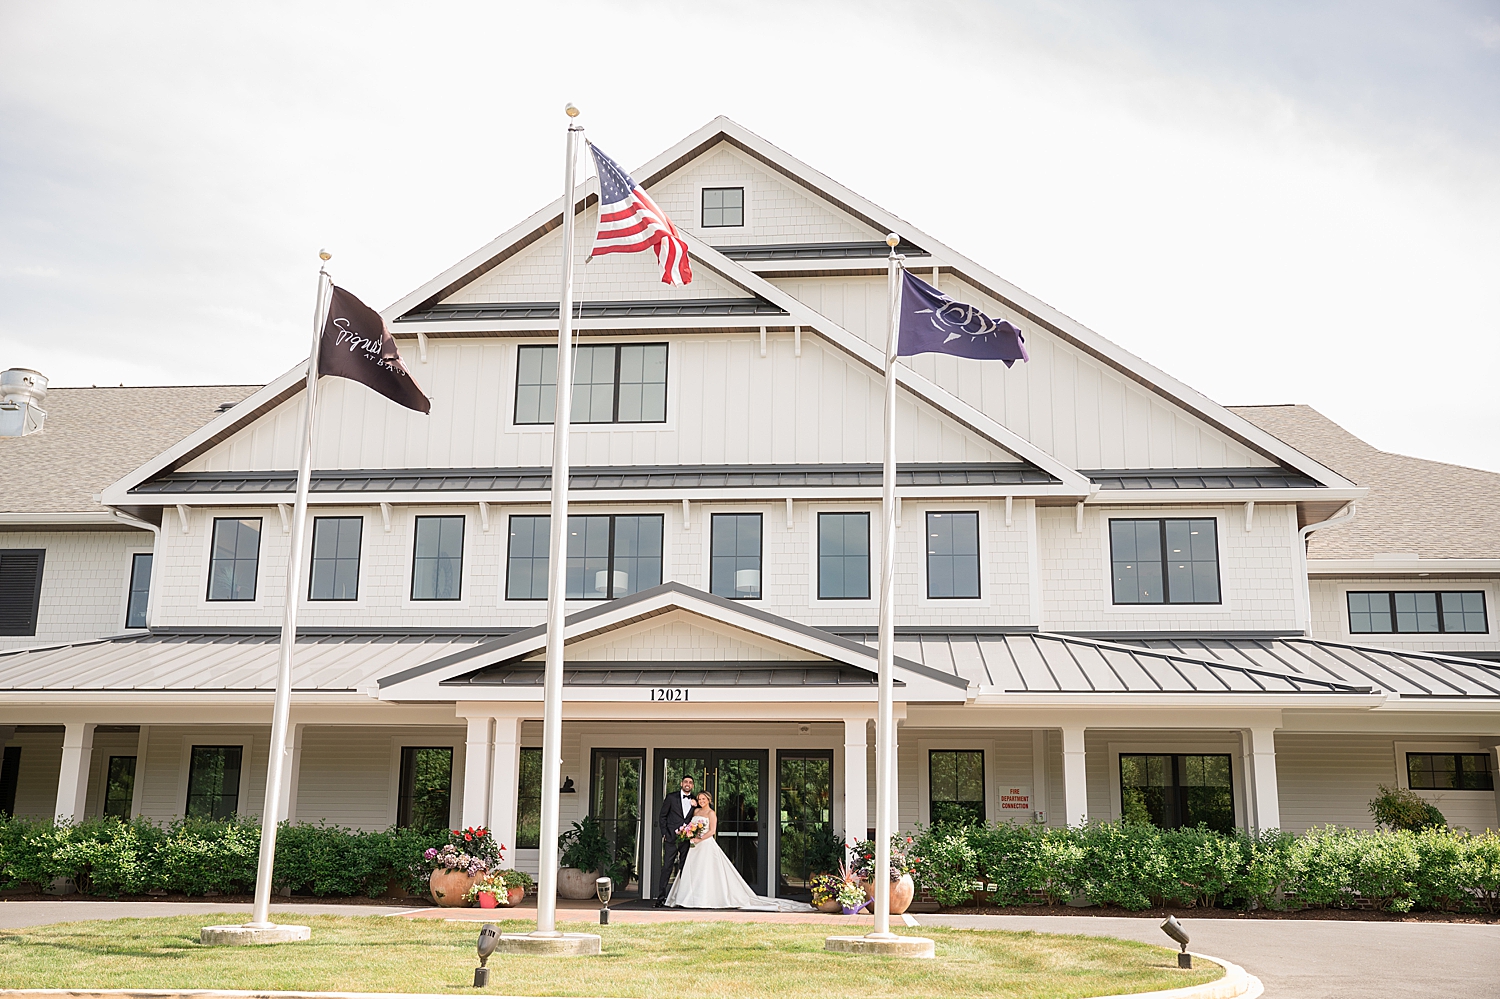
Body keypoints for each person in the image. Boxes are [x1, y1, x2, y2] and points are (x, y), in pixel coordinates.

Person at [665, 791, 810, 911]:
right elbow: (690, 823)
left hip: (705, 844)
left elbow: (712, 831)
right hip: (694, 846)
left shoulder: (711, 813)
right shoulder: (696, 810)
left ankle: (704, 898)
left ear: (709, 800)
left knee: (706, 872)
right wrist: (689, 833)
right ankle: (688, 898)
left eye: (703, 799)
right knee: (691, 871)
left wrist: (699, 839)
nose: (701, 800)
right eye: (699, 799)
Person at [654, 775, 699, 906]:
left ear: (693, 786)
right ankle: (660, 898)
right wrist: (665, 834)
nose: (688, 784)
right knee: (667, 867)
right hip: (671, 839)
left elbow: (703, 814)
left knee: (685, 868)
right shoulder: (671, 797)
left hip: (687, 840)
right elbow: (662, 816)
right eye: (686, 782)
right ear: (681, 783)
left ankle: (682, 899)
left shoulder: (695, 799)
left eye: (690, 783)